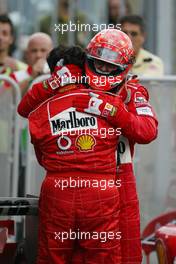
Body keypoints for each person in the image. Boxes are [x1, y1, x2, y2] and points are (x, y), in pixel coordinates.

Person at [18, 29, 158, 263]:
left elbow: (147, 131)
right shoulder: (73, 84)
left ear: (124, 67)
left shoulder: (130, 92)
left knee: (125, 255)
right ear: (88, 59)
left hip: (119, 182)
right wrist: (55, 81)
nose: (102, 70)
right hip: (77, 185)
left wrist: (113, 111)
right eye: (98, 63)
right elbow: (25, 109)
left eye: (109, 66)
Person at [18, 46, 122, 263]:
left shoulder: (40, 112)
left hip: (58, 189)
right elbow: (144, 132)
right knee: (102, 257)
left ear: (55, 72)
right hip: (101, 190)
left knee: (53, 256)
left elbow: (41, 155)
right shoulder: (106, 101)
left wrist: (52, 83)